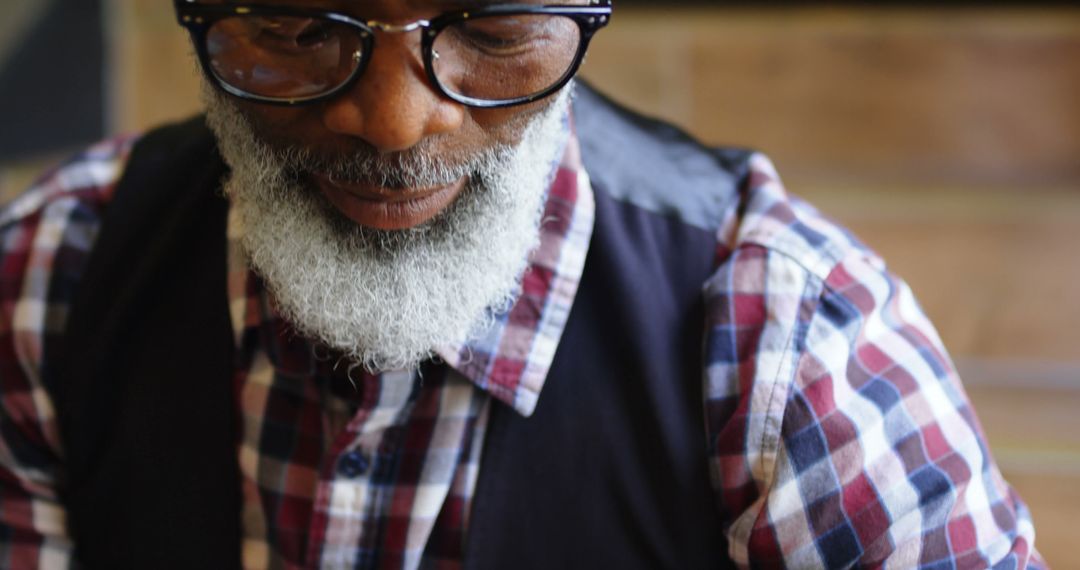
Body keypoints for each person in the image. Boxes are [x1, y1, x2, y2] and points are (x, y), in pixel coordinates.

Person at [0, 0, 1044, 568]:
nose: (399, 123)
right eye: (296, 29)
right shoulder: (50, 277)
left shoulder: (798, 345)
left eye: (491, 31)